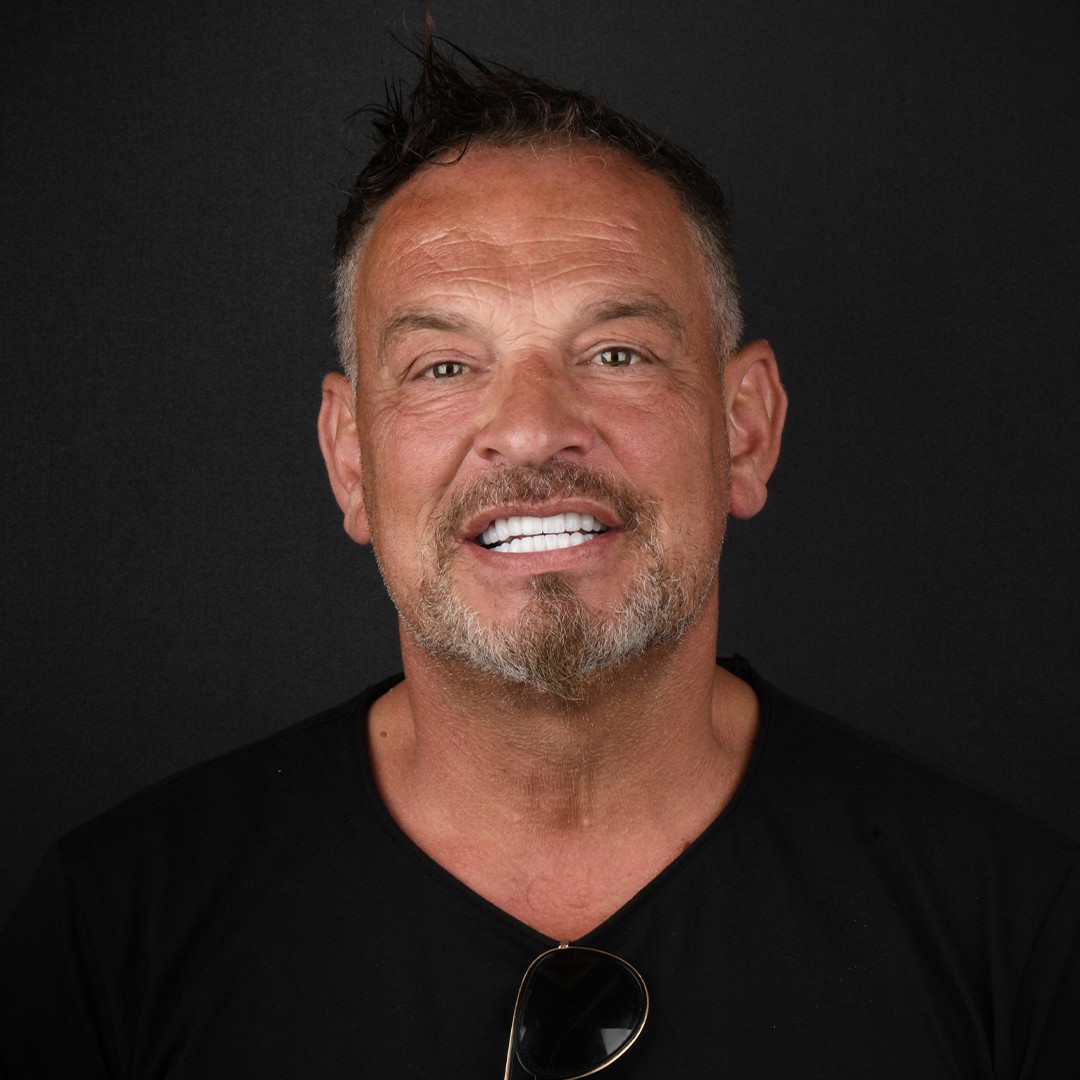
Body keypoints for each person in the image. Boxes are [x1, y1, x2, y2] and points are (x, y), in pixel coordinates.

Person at [2, 30, 1077, 1079]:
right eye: (443, 367)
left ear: (744, 429)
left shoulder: (1020, 935)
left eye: (616, 353)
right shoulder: (113, 932)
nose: (530, 428)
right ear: (351, 460)